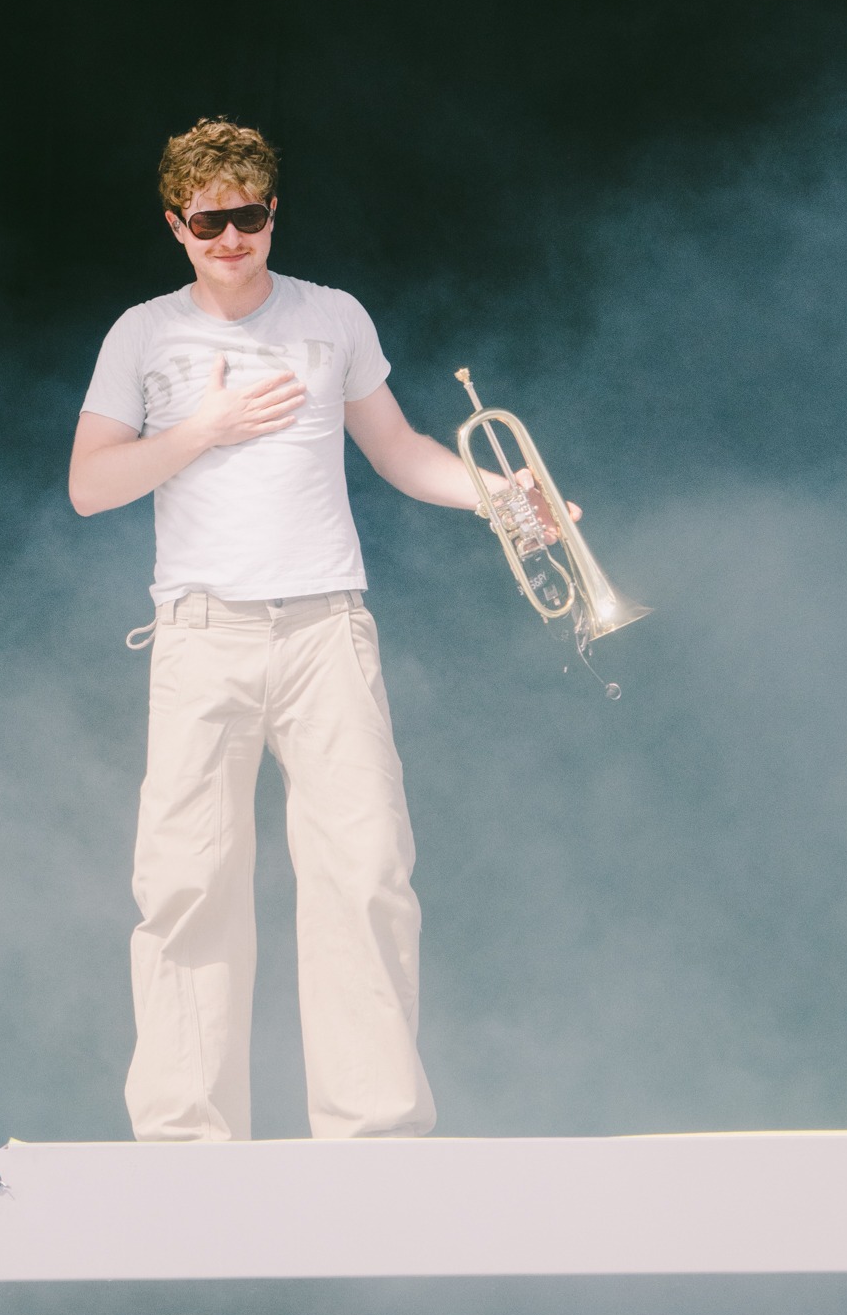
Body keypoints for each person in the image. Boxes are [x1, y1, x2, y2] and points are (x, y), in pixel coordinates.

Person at [69, 117, 572, 1142]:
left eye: (249, 216)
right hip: (200, 631)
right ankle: (184, 1140)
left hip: (325, 628)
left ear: (273, 213)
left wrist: (502, 497)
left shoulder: (332, 315)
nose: (231, 238)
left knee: (367, 869)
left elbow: (398, 449)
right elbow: (90, 484)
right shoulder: (142, 335)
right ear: (174, 225)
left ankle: (372, 1132)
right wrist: (201, 431)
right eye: (208, 221)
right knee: (185, 882)